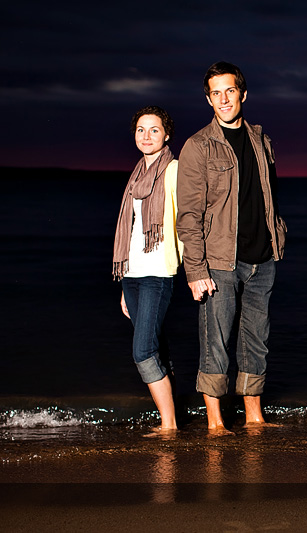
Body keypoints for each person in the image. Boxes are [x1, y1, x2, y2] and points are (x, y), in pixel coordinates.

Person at [177, 61, 287, 434]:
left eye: (229, 91)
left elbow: (267, 196)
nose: (224, 99)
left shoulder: (260, 139)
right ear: (208, 99)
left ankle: (255, 417)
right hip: (219, 260)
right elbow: (188, 215)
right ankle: (215, 422)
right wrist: (195, 271)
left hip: (263, 257)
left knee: (257, 337)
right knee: (216, 339)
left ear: (242, 93)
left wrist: (276, 236)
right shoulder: (198, 146)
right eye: (216, 93)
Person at [112, 105, 183, 436]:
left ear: (166, 135)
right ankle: (173, 414)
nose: (147, 136)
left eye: (154, 129)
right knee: (155, 344)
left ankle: (169, 425)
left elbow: (188, 218)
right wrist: (124, 286)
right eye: (141, 129)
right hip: (133, 275)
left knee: (143, 350)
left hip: (158, 274)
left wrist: (188, 262)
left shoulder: (174, 170)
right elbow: (132, 227)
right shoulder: (137, 174)